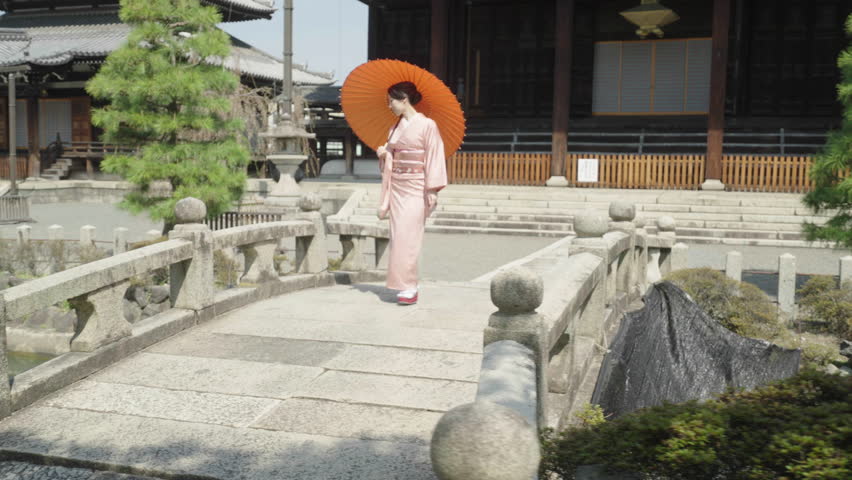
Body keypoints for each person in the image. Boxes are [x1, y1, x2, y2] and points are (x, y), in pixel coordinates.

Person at [376, 81, 447, 305]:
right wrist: (383, 153)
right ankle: (403, 285)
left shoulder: (428, 125)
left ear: (403, 99)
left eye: (391, 101)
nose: (389, 106)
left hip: (417, 186)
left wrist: (432, 189)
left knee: (409, 236)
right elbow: (390, 157)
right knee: (398, 237)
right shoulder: (394, 128)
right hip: (397, 187)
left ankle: (410, 285)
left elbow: (435, 157)